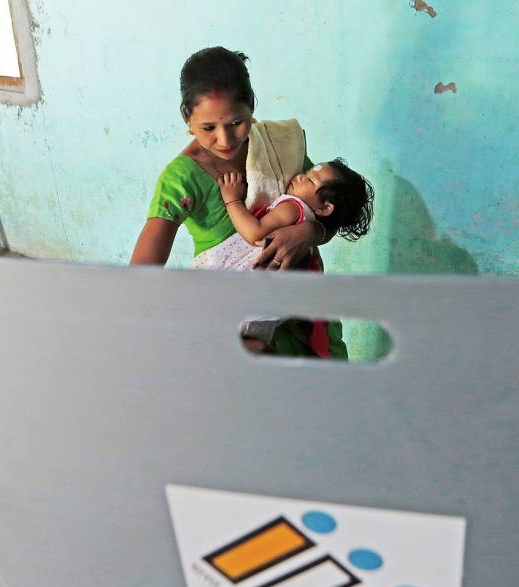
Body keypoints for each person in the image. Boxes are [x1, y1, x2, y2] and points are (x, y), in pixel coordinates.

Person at [130, 46, 347, 358]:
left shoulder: (277, 146)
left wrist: (309, 233)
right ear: (187, 118)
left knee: (329, 396)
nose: (225, 139)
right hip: (235, 325)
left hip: (303, 307)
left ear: (251, 107)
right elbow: (138, 278)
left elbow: (326, 211)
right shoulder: (181, 178)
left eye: (236, 123)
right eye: (208, 128)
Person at [191, 159, 374, 271]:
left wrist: (232, 200)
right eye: (306, 172)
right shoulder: (307, 221)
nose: (300, 176)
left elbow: (255, 234)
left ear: (325, 208)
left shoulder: (292, 207)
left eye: (310, 180)